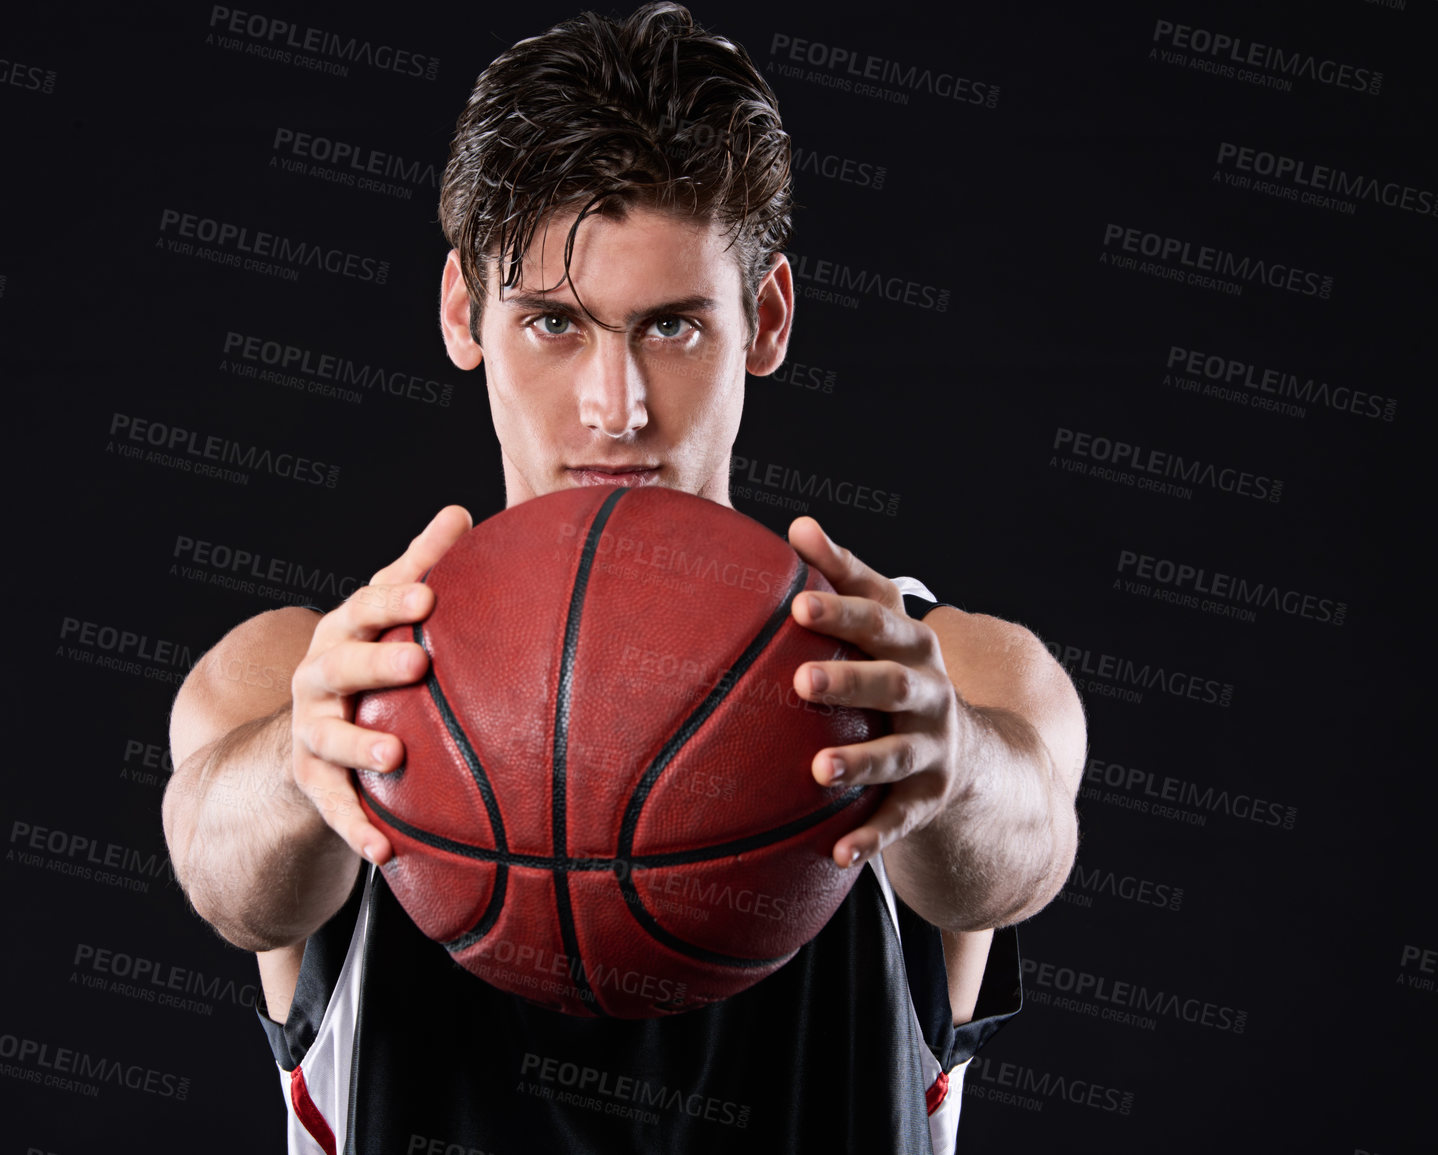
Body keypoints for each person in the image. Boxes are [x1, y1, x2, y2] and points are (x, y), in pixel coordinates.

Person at [163, 5, 1086, 1152]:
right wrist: (304, 764)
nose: (617, 408)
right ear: (463, 313)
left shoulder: (918, 676)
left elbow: (1025, 849)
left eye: (674, 329)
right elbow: (223, 871)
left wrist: (955, 765)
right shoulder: (321, 680)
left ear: (767, 318)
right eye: (554, 322)